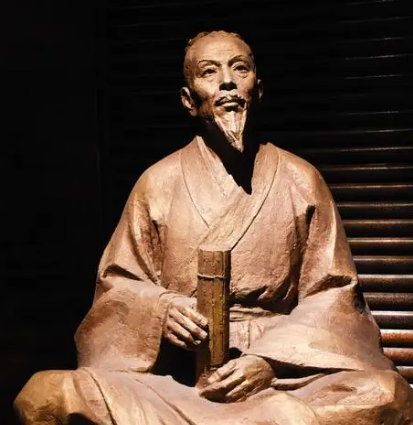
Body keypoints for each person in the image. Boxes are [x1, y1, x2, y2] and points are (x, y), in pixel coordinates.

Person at [15, 30, 413, 425]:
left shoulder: (301, 179)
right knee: (46, 394)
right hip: (179, 384)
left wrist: (269, 361)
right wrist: (159, 311)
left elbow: (335, 295)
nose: (227, 82)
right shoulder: (158, 183)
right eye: (209, 72)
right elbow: (117, 286)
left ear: (258, 90)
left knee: (388, 394)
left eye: (239, 69)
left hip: (280, 377)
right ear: (188, 100)